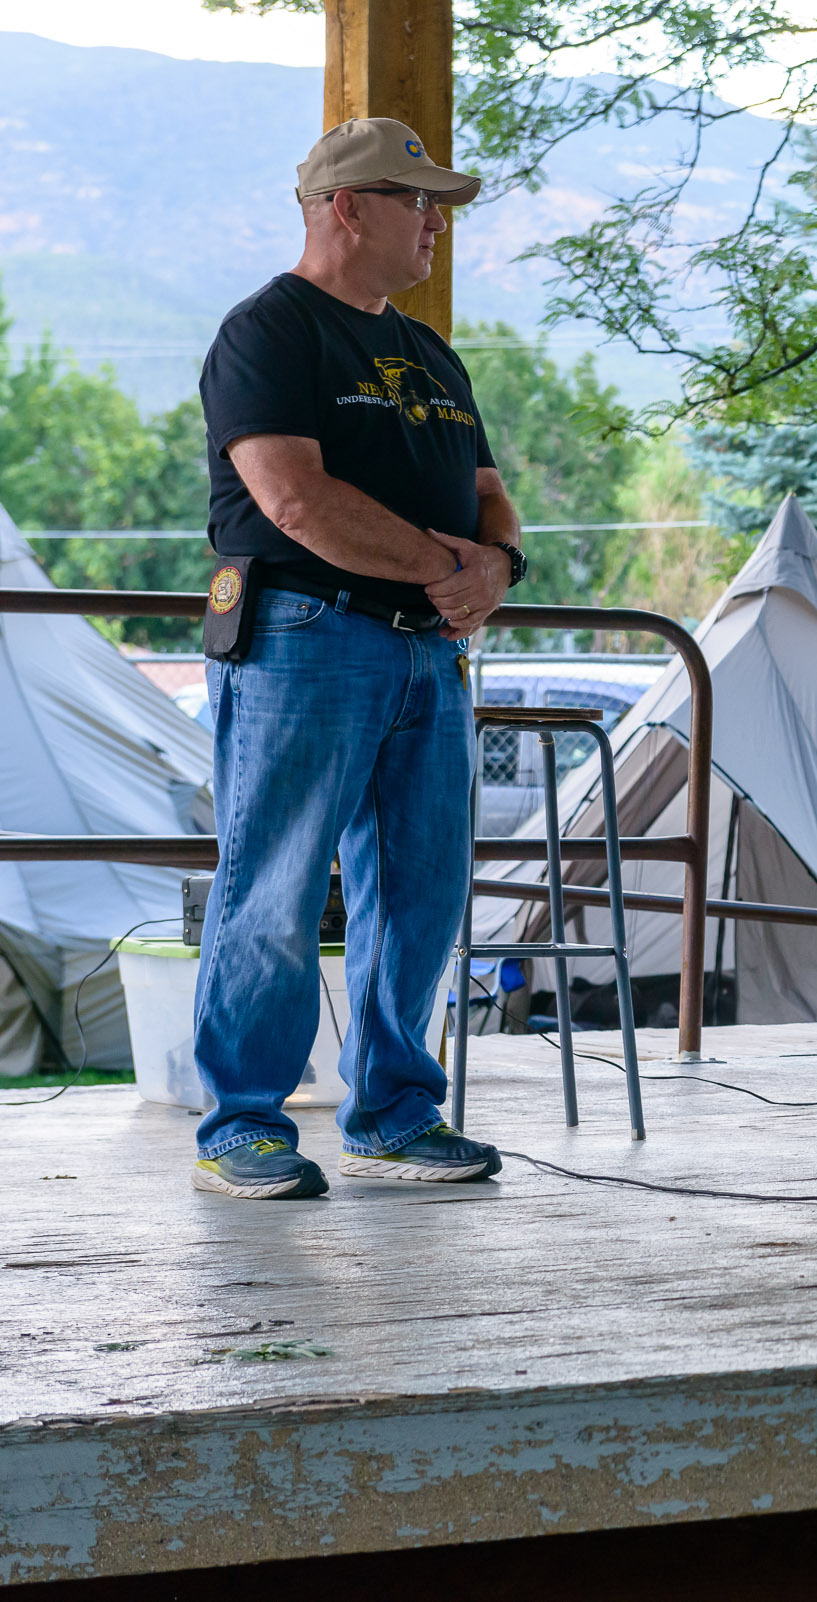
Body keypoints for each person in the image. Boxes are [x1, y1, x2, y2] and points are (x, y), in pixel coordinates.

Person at [188, 118, 525, 1199]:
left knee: (420, 893)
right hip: (306, 635)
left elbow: (487, 495)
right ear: (347, 206)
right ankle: (242, 1126)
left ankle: (393, 1112)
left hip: (426, 652)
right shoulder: (270, 332)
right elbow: (295, 500)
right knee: (277, 886)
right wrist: (447, 566)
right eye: (416, 199)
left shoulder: (430, 352)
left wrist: (498, 567)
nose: (435, 221)